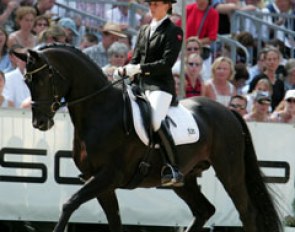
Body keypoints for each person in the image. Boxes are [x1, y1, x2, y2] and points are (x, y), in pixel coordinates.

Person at [118, 0, 184, 187]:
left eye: (156, 3)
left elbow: (166, 64)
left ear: (167, 6)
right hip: (139, 84)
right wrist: (123, 70)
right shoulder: (144, 30)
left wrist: (138, 68)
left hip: (159, 87)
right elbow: (137, 57)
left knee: (155, 120)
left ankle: (173, 168)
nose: (152, 7)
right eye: (151, 3)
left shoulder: (174, 31)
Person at [249, 46, 285, 111]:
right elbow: (250, 97)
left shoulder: (280, 82)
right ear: (265, 61)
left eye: (275, 59)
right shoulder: (258, 78)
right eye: (269, 59)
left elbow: (281, 102)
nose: (272, 62)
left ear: (279, 61)